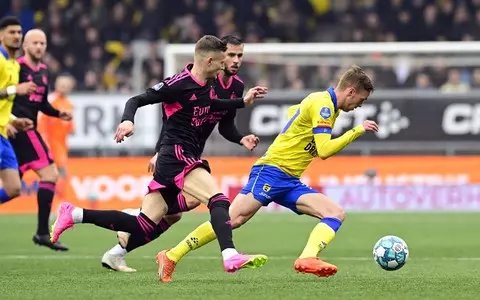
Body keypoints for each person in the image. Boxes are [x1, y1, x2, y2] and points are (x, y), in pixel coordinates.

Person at [50, 35, 269, 279]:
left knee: (143, 225)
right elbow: (137, 100)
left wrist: (242, 103)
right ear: (210, 60)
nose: (226, 65)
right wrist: (127, 121)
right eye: (223, 60)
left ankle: (75, 214)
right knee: (218, 199)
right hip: (177, 153)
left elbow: (213, 104)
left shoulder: (208, 83)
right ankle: (230, 255)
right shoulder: (177, 84)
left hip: (180, 155)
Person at [155, 65, 378, 281]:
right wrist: (357, 130)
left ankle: (308, 258)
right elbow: (324, 150)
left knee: (335, 213)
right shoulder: (324, 105)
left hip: (290, 180)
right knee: (232, 219)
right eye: (362, 99)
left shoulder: (325, 104)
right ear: (351, 91)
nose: (361, 104)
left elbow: (295, 112)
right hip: (271, 172)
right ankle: (171, 255)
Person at [8, 29, 73, 251]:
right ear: (25, 45)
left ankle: (42, 233)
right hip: (18, 131)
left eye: (42, 43)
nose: (39, 47)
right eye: (34, 42)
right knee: (50, 174)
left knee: (12, 188)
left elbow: (42, 104)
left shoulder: (44, 71)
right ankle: (43, 233)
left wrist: (57, 113)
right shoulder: (16, 68)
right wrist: (11, 120)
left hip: (26, 131)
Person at [0, 16, 36, 205]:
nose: (16, 36)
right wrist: (16, 89)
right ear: (1, 36)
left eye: (19, 32)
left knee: (13, 188)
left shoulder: (13, 64)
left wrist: (13, 120)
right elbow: (8, 93)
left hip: (3, 131)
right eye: (11, 32)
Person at [37, 74, 75, 202]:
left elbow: (70, 128)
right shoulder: (51, 101)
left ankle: (57, 203)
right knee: (59, 174)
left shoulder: (69, 104)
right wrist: (44, 142)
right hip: (51, 145)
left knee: (59, 175)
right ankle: (60, 203)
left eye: (67, 86)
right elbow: (42, 123)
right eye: (62, 85)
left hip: (62, 145)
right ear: (56, 86)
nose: (64, 88)